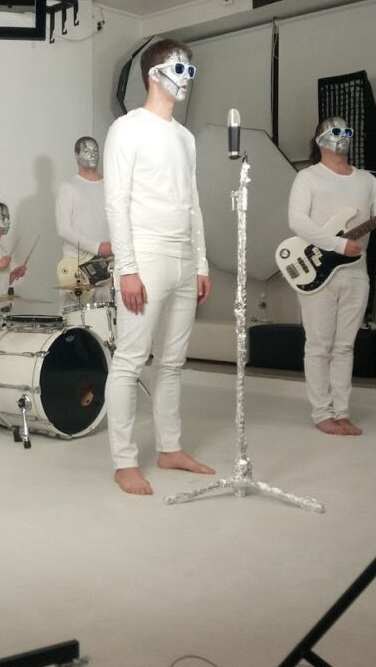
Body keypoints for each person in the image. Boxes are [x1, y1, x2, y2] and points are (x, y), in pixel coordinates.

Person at [102, 38, 215, 495]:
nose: (187, 78)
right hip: (145, 257)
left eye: (190, 71)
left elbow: (193, 204)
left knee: (172, 362)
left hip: (184, 259)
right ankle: (124, 461)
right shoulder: (127, 128)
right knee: (130, 361)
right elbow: (116, 202)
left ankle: (170, 448)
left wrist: (201, 262)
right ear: (155, 74)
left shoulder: (185, 138)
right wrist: (127, 269)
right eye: (180, 69)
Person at [287, 116, 376, 436]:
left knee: (344, 346)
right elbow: (297, 221)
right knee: (319, 344)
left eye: (347, 131)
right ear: (320, 139)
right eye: (335, 131)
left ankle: (342, 411)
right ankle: (322, 413)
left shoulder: (366, 180)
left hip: (355, 272)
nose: (343, 136)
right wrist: (338, 244)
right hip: (317, 269)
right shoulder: (308, 177)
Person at [55, 136, 113, 308]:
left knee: (106, 317)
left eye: (95, 150)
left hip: (106, 266)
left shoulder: (110, 186)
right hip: (78, 266)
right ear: (76, 155)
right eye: (86, 150)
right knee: (74, 321)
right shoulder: (68, 187)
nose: (92, 154)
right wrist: (98, 247)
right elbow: (63, 228)